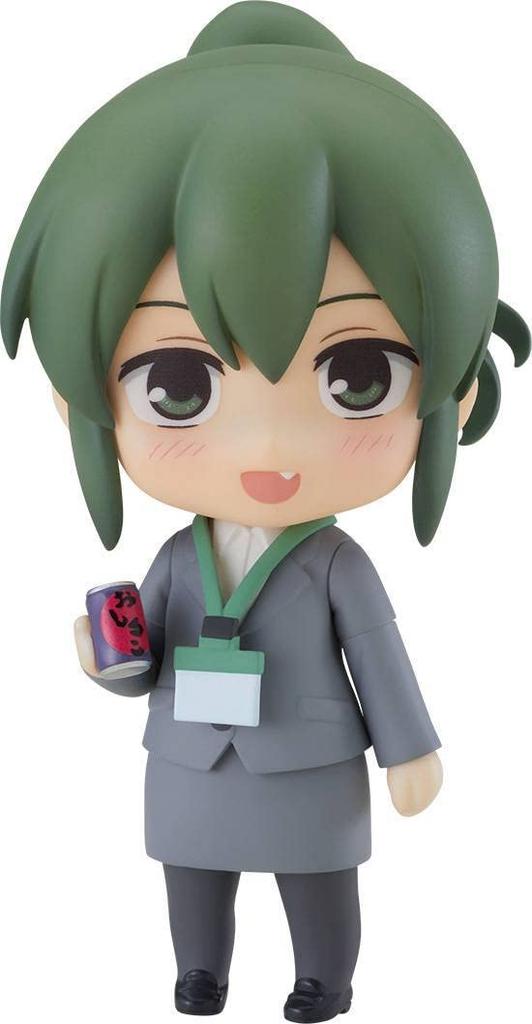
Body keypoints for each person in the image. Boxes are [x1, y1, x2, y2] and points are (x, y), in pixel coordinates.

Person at [2, 3, 529, 1021]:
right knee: (190, 874)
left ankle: (323, 979)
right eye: (178, 385)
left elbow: (378, 654)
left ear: (454, 394)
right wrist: (109, 660)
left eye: (358, 375)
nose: (268, 450)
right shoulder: (175, 555)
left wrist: (409, 750)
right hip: (188, 755)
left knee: (316, 881)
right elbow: (147, 654)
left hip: (306, 759)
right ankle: (198, 972)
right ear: (79, 399)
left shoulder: (338, 567)